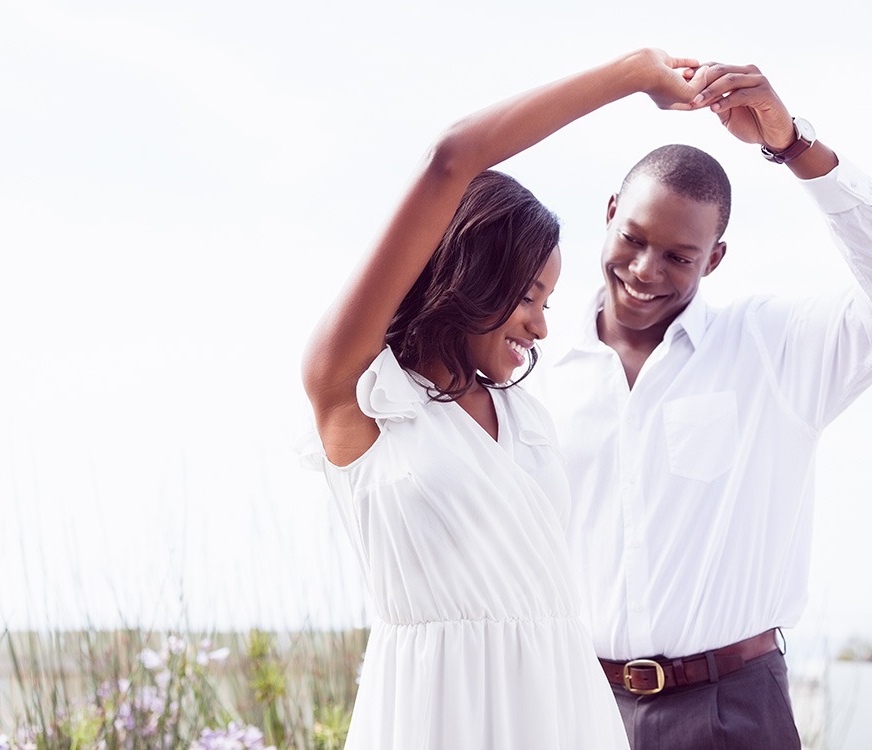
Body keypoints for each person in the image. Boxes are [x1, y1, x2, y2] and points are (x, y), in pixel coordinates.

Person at [299, 48, 714, 749]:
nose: (542, 325)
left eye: (549, 299)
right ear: (467, 277)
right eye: (527, 296)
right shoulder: (361, 396)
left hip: (562, 710)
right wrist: (634, 74)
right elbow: (452, 158)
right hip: (435, 718)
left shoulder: (523, 413)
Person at [529, 62, 872, 748]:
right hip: (575, 709)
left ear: (713, 259)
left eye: (679, 256)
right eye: (633, 239)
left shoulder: (773, 350)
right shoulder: (530, 370)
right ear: (609, 213)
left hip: (731, 712)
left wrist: (794, 145)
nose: (646, 270)